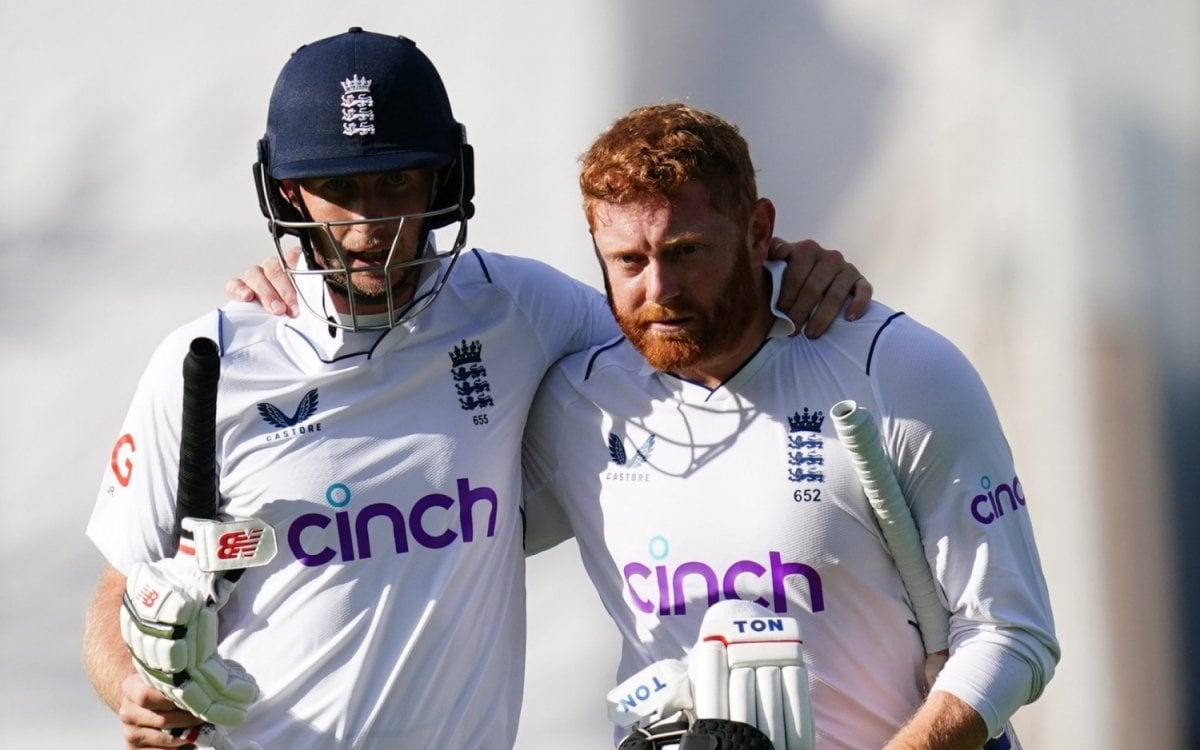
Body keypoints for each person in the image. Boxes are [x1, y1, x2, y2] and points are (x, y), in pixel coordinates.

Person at [82, 29, 869, 750]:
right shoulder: (210, 361)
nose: (367, 226)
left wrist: (779, 265)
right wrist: (133, 689)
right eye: (337, 188)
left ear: (443, 177)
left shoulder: (519, 308)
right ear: (289, 193)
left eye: (395, 181)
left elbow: (680, 331)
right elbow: (117, 596)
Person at [519, 104, 1060, 749]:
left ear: (758, 232)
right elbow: (448, 553)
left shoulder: (900, 369)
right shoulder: (575, 403)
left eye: (686, 252)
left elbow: (1011, 635)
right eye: (629, 261)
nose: (659, 288)